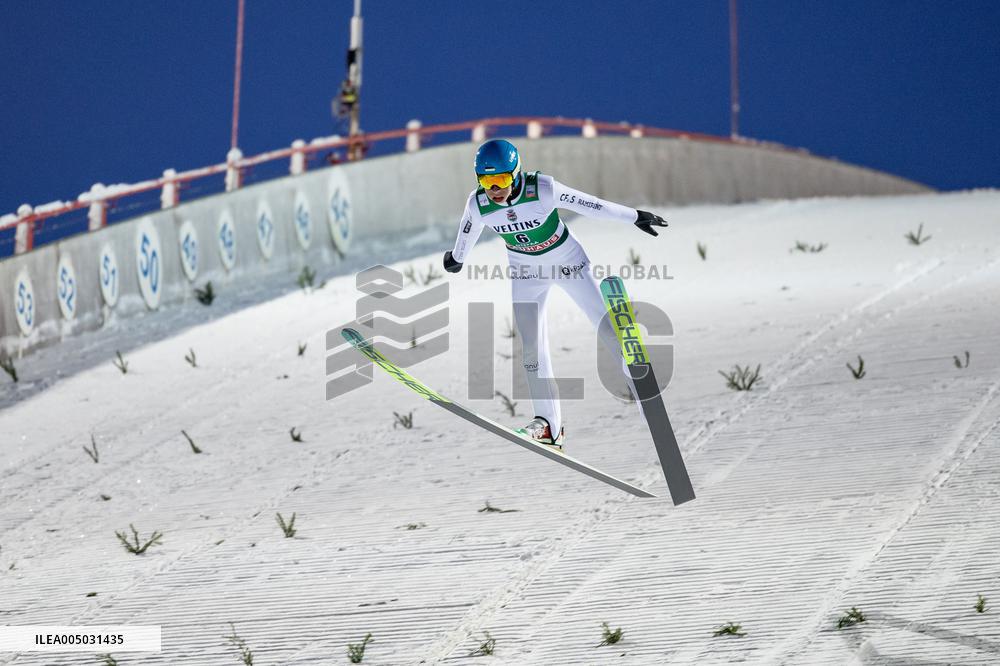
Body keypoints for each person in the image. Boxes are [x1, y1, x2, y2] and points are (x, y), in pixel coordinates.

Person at [443, 139, 668, 450]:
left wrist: (634, 216)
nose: (494, 189)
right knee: (531, 346)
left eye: (501, 180)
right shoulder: (478, 203)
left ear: (516, 173)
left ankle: (646, 400)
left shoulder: (542, 189)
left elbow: (592, 206)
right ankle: (548, 424)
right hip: (526, 272)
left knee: (606, 328)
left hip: (567, 263)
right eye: (487, 181)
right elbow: (469, 230)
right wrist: (457, 257)